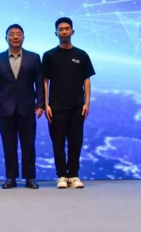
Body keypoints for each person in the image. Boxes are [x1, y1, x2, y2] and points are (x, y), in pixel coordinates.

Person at [0, 24, 43, 190]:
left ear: (23, 37)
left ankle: (30, 178)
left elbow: (39, 83)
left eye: (19, 34)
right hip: (5, 108)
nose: (15, 37)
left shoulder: (34, 58)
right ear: (6, 38)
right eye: (11, 34)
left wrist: (40, 104)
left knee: (29, 145)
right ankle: (10, 178)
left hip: (27, 107)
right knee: (9, 145)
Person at [42, 16, 95, 189]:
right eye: (60, 29)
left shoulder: (81, 55)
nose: (64, 32)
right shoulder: (49, 56)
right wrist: (45, 104)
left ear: (72, 31)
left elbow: (86, 79)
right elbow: (45, 80)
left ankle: (74, 175)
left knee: (75, 142)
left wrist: (87, 103)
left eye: (67, 29)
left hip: (77, 106)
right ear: (56, 33)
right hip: (56, 107)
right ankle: (62, 176)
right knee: (58, 142)